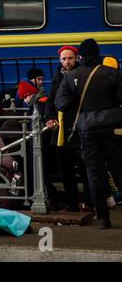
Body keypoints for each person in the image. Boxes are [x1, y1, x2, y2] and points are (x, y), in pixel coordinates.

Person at [55, 38, 122, 229]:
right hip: (114, 128)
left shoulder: (71, 76)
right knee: (119, 169)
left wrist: (81, 103)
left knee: (94, 173)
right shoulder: (114, 73)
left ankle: (103, 218)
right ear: (98, 54)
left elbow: (61, 104)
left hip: (87, 129)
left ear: (81, 56)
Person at [44, 46, 91, 212]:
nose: (67, 61)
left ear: (76, 58)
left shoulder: (82, 74)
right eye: (64, 59)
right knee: (65, 170)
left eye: (70, 58)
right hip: (61, 130)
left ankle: (88, 203)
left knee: (85, 169)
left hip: (79, 128)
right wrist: (49, 118)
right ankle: (72, 205)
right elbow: (50, 100)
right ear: (60, 60)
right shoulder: (57, 76)